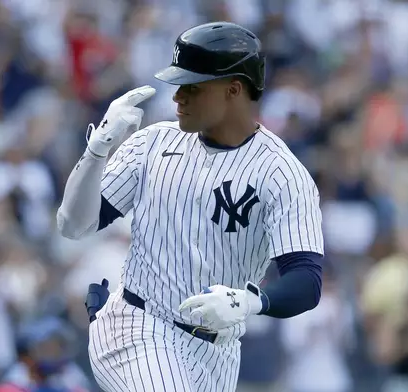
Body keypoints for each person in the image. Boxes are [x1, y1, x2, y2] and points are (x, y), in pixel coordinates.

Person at [57, 21, 324, 392]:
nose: (177, 96)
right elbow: (74, 225)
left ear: (233, 89)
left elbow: (306, 281)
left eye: (192, 86)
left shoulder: (282, 174)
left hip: (218, 353)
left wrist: (251, 302)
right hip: (138, 324)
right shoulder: (151, 143)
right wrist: (97, 149)